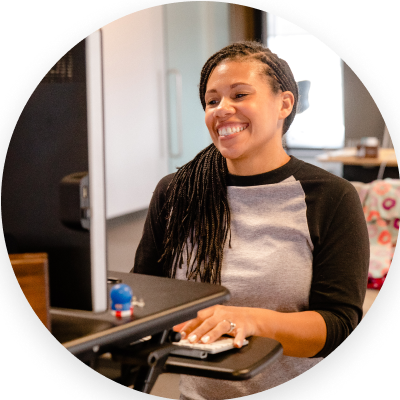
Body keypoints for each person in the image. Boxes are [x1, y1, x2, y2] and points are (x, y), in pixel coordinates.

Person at [131, 41, 369, 398]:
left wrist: (250, 319)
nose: (222, 110)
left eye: (239, 95)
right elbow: (143, 293)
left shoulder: (331, 197)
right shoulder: (176, 192)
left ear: (284, 104)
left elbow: (339, 327)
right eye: (212, 101)